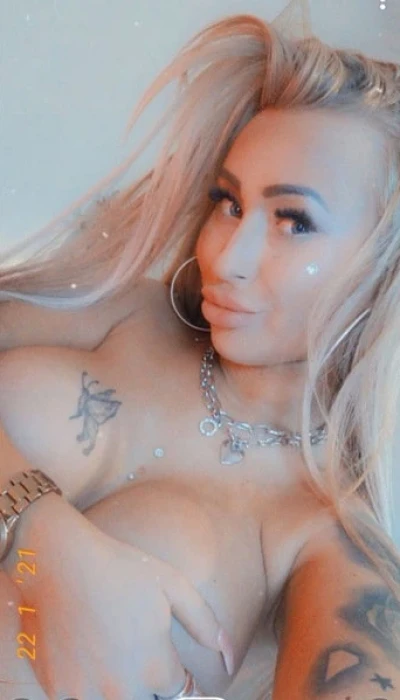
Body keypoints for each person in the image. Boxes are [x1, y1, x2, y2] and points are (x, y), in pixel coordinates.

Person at [0, 7, 400, 700]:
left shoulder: (322, 538)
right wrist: (40, 535)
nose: (226, 255)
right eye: (229, 202)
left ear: (386, 266)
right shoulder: (127, 311)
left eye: (293, 220)